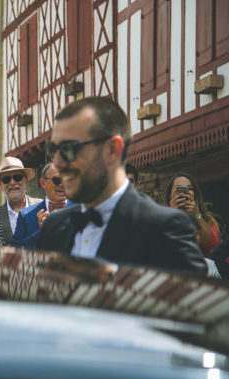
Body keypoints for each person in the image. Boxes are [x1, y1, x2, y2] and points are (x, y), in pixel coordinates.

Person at [35, 96, 206, 273]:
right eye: (54, 151)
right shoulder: (53, 227)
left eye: (68, 149)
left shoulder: (166, 229)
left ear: (112, 150)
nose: (58, 164)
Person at [11, 163, 74, 248]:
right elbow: (15, 250)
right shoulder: (25, 215)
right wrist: (41, 232)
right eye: (57, 180)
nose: (63, 185)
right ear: (43, 183)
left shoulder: (82, 210)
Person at [165, 172, 221, 256]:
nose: (183, 193)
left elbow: (212, 245)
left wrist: (196, 215)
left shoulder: (207, 220)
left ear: (195, 194)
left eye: (189, 189)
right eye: (179, 189)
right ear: (170, 195)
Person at [0, 157, 41, 245]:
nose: (12, 183)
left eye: (17, 177)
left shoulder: (42, 206)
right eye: (6, 179)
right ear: (1, 186)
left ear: (26, 181)